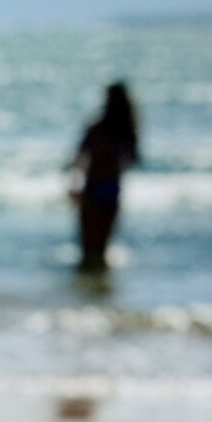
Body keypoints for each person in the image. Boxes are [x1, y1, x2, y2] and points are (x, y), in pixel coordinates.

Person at [71, 79, 139, 275]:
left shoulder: (98, 128)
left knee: (88, 248)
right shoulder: (126, 131)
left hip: (93, 186)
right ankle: (99, 290)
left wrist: (73, 185)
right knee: (101, 248)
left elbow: (78, 157)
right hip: (112, 187)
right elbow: (132, 160)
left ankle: (89, 292)